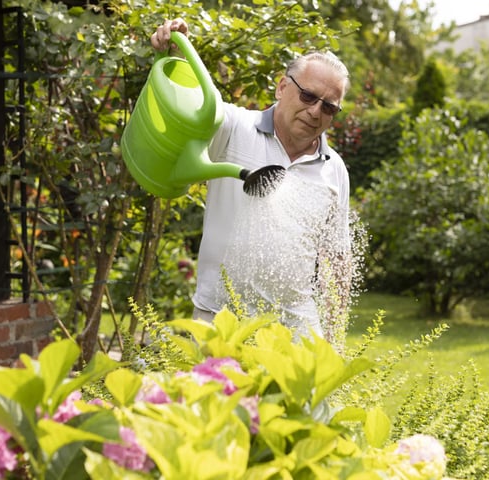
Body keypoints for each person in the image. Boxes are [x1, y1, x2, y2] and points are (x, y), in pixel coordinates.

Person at [151, 19, 352, 340]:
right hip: (221, 320)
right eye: (308, 97)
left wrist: (335, 334)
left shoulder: (334, 168)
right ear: (283, 88)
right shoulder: (233, 128)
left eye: (328, 107)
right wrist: (177, 55)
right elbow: (186, 106)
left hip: (296, 329)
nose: (316, 112)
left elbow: (338, 258)